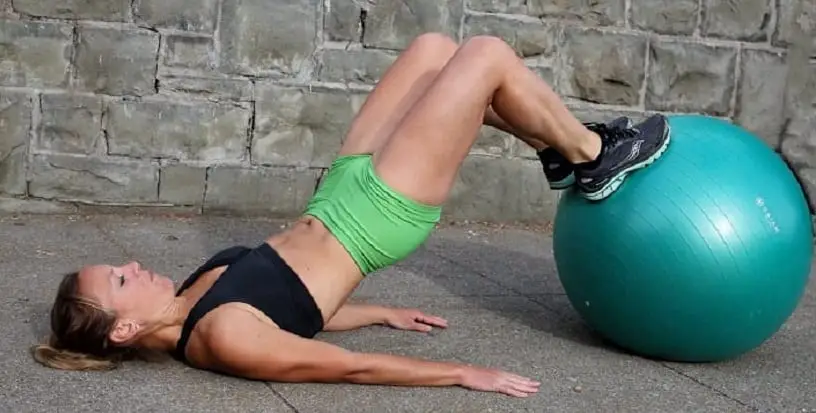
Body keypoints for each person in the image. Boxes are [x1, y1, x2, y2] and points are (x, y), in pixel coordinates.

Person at [31, 33, 669, 398]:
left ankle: (553, 150)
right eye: (119, 279)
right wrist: (459, 375)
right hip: (376, 216)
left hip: (340, 191)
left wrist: (380, 313)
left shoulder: (193, 302)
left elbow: (298, 310)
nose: (132, 265)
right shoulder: (219, 339)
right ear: (122, 331)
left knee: (432, 51)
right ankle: (592, 156)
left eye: (117, 264)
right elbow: (347, 367)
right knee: (486, 57)